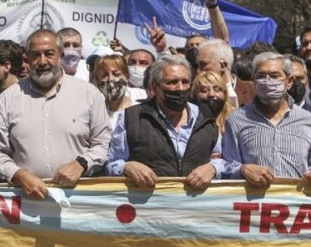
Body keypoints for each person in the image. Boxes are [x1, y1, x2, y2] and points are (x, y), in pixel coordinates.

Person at [0, 29, 111, 199]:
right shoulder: (8, 99)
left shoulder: (89, 94)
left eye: (49, 54)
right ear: (27, 59)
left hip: (79, 201)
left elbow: (103, 145)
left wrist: (82, 164)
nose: (42, 61)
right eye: (36, 55)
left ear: (61, 56)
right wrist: (19, 175)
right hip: (25, 201)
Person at [106, 55, 223, 190]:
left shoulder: (206, 118)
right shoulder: (131, 118)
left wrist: (212, 168)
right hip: (149, 204)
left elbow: (222, 160)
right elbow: (111, 163)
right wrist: (127, 167)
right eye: (172, 82)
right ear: (154, 87)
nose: (180, 88)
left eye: (185, 82)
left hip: (194, 205)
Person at [223, 52, 311, 188]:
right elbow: (227, 164)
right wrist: (243, 170)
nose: (267, 81)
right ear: (253, 81)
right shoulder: (236, 119)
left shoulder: (307, 120)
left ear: (289, 82)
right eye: (261, 76)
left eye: (274, 76)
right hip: (253, 205)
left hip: (293, 205)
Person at [196, 38, 256, 107]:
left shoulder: (253, 90)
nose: (198, 71)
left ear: (222, 65)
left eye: (203, 64)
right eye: (197, 65)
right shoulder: (196, 94)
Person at [285, 54, 311, 139]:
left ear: (307, 83)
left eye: (300, 78)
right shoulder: (263, 116)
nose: (295, 83)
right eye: (289, 78)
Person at [190, 71, 235, 136]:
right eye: (204, 90)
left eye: (217, 90)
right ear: (195, 95)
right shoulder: (189, 120)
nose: (211, 94)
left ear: (225, 94)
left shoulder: (235, 119)